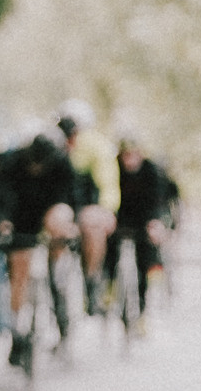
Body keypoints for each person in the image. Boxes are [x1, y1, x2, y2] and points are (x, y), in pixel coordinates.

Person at [0, 124, 79, 373]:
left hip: (50, 214)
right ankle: (16, 330)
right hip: (21, 217)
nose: (36, 169)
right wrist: (3, 222)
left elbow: (72, 198)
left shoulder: (62, 164)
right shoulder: (13, 162)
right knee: (20, 269)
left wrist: (68, 228)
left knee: (59, 224)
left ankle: (58, 279)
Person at [57, 99, 120, 312]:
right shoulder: (55, 145)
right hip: (62, 202)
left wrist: (107, 210)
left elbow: (108, 182)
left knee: (93, 225)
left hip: (88, 204)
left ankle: (92, 280)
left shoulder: (98, 146)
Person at [111, 134, 174, 329]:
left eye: (133, 155)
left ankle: (142, 311)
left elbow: (158, 201)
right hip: (119, 216)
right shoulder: (114, 168)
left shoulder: (151, 170)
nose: (129, 160)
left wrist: (156, 222)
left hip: (144, 218)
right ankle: (108, 287)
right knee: (110, 245)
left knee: (145, 258)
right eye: (125, 155)